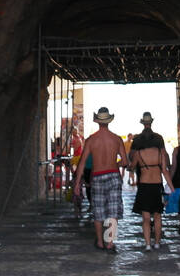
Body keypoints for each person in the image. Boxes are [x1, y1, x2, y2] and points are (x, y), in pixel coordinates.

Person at [72, 107, 130, 252]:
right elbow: (125, 162)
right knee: (113, 211)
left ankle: (99, 241)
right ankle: (110, 242)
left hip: (97, 176)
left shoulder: (91, 140)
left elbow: (82, 163)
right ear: (108, 121)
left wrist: (77, 183)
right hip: (113, 176)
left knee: (98, 211)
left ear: (98, 121)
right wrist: (114, 164)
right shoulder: (116, 139)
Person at [131, 137, 173, 249]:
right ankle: (157, 243)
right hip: (156, 186)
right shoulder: (160, 153)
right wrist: (172, 188)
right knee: (158, 216)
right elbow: (165, 171)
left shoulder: (139, 153)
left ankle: (148, 244)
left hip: (144, 186)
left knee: (146, 218)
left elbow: (132, 166)